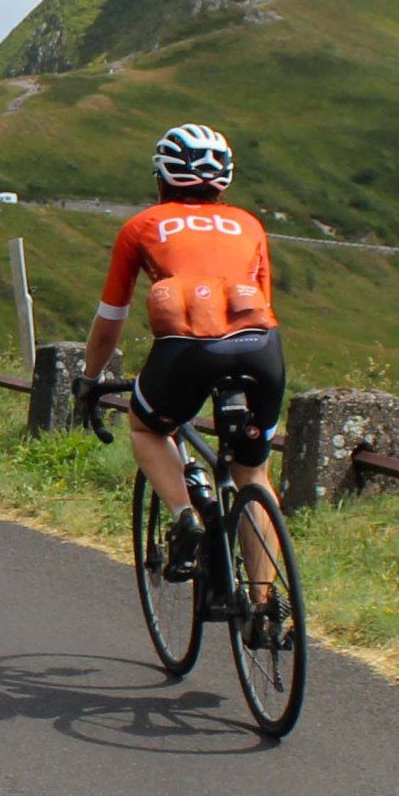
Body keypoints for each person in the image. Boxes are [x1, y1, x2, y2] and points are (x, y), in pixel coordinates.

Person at [78, 123, 284, 631]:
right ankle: (264, 607)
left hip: (187, 350)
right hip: (260, 350)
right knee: (253, 473)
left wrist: (90, 378)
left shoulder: (143, 226)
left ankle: (184, 516)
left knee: (148, 426)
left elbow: (111, 321)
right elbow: (263, 303)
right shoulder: (250, 225)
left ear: (162, 177)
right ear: (223, 180)